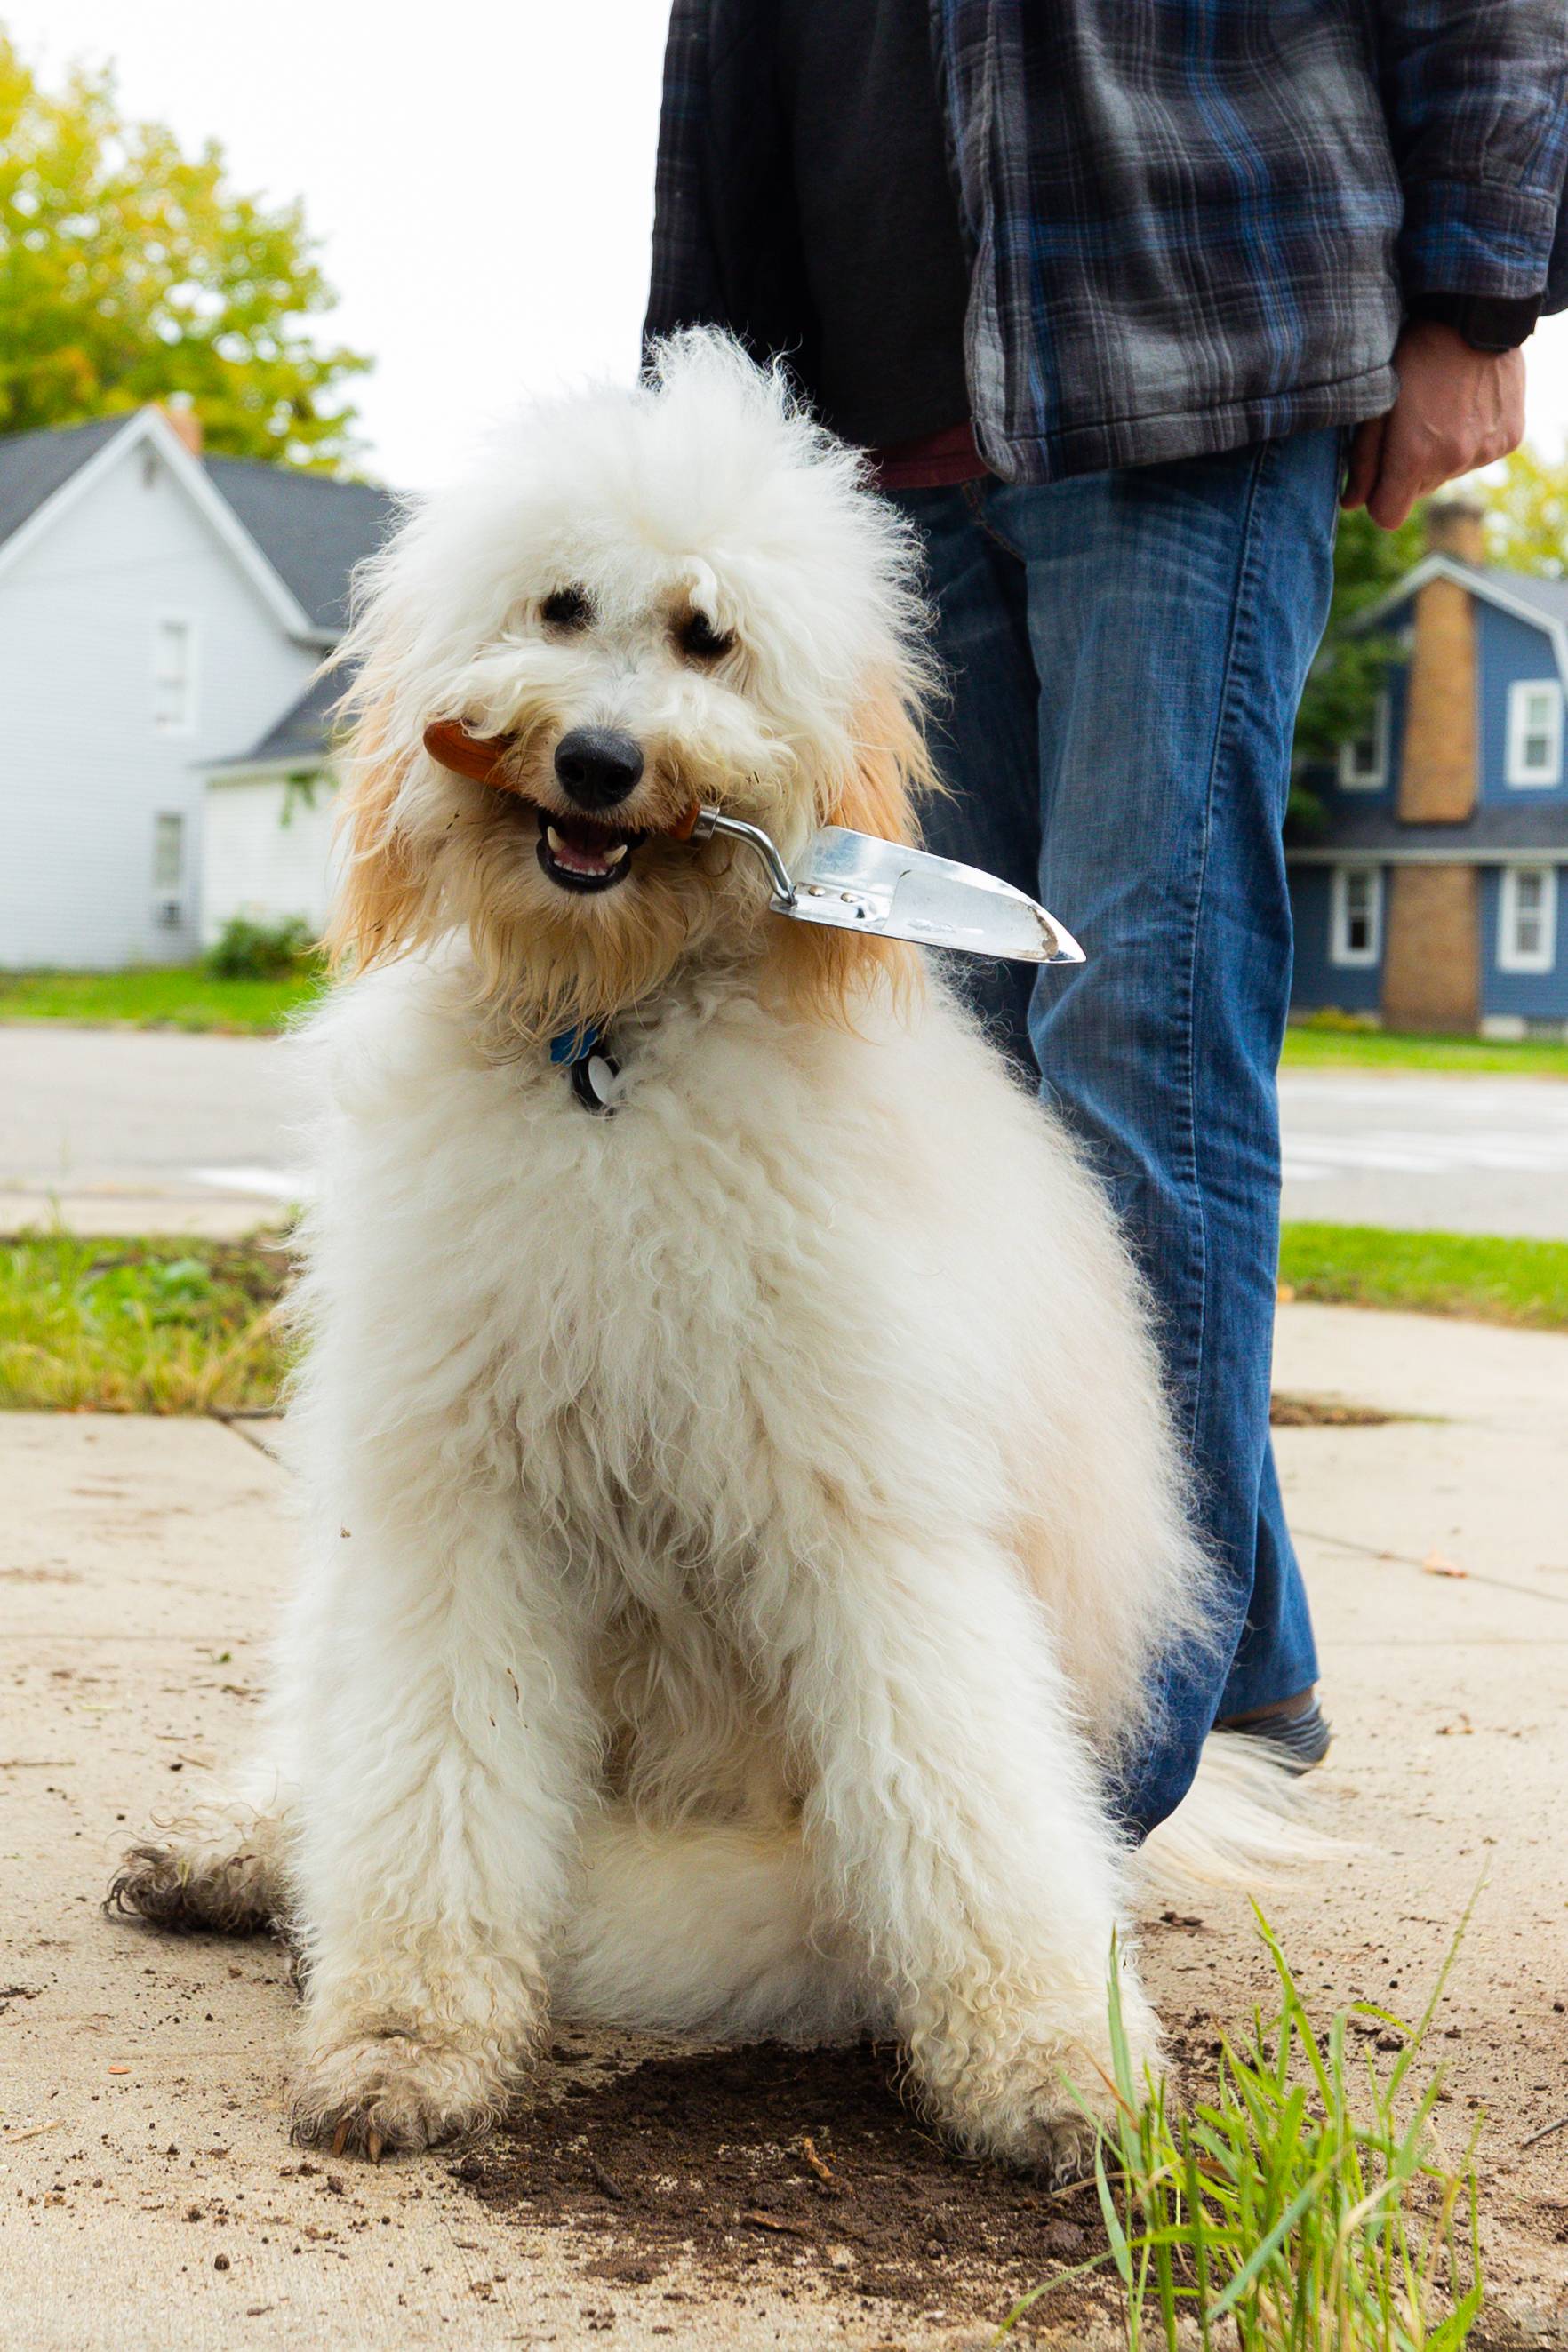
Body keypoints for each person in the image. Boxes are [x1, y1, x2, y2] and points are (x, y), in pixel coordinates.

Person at [644, 0, 1567, 1836]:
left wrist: (1478, 296)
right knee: (943, 1106)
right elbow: (721, 71)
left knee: (1139, 1032)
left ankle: (1098, 1762)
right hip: (867, 456)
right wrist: (700, 419)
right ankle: (1244, 1661)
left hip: (1192, 358)